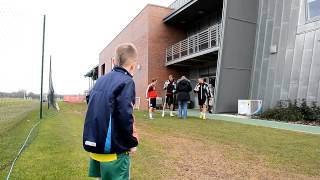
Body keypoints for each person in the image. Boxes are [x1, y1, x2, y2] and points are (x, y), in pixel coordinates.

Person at [83, 43, 139, 180]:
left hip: (95, 145)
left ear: (114, 62)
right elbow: (125, 116)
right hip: (114, 152)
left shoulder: (100, 80)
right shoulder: (127, 81)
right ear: (132, 66)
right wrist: (131, 142)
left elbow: (90, 100)